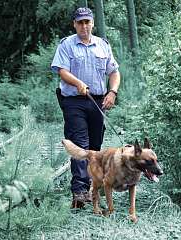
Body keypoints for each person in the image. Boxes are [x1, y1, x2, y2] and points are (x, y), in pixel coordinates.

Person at [51, 7, 120, 208]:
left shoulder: (103, 45)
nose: (84, 26)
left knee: (95, 147)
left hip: (98, 101)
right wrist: (77, 83)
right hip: (74, 101)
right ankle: (79, 192)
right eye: (80, 22)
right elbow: (62, 71)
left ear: (92, 23)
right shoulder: (66, 45)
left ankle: (93, 186)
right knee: (80, 144)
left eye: (87, 22)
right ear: (74, 24)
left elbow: (114, 72)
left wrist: (112, 92)